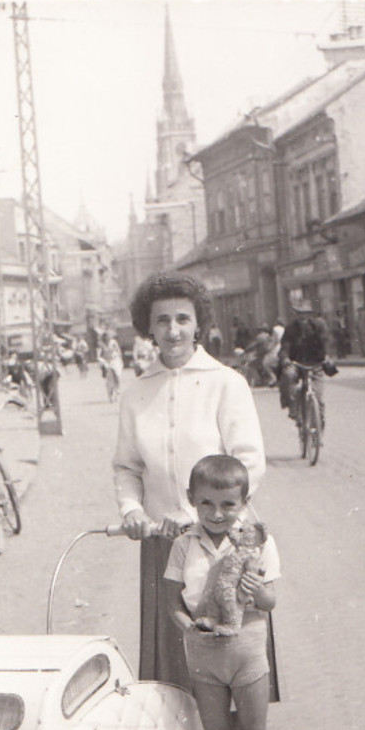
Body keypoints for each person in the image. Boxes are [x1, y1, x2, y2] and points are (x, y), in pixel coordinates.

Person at [113, 272, 266, 689]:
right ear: (149, 328)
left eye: (183, 318)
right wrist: (131, 510)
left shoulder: (226, 383)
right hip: (163, 545)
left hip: (221, 542)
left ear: (199, 323)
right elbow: (126, 467)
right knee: (175, 672)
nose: (173, 330)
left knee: (226, 670)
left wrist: (197, 515)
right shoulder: (136, 393)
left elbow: (249, 461)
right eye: (162, 320)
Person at [164, 455, 279, 730]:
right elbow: (173, 603)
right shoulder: (183, 544)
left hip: (246, 650)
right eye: (207, 503)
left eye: (229, 505)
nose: (217, 514)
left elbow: (270, 601)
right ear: (192, 500)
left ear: (244, 502)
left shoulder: (256, 542)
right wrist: (187, 627)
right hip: (203, 654)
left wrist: (256, 589)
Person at [278, 302, 332, 428]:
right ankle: (293, 407)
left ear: (310, 314)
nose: (303, 317)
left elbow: (326, 341)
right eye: (300, 314)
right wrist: (285, 358)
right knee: (288, 375)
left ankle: (319, 424)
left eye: (306, 314)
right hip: (297, 363)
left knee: (318, 397)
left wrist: (326, 356)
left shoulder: (318, 325)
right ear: (296, 315)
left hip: (316, 363)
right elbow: (285, 346)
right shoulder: (290, 329)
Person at [98, 331, 123, 399]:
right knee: (109, 378)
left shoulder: (113, 342)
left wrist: (117, 356)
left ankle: (117, 389)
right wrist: (101, 361)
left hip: (115, 360)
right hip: (106, 361)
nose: (107, 338)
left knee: (117, 375)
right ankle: (110, 393)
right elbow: (99, 355)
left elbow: (118, 351)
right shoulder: (101, 344)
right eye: (105, 337)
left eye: (108, 337)